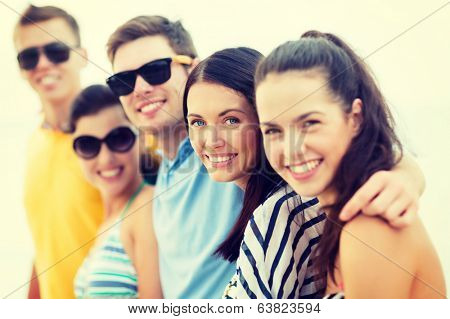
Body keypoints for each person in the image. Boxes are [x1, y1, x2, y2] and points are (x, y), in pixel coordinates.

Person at [106, 16, 426, 298]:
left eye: (155, 70)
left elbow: (312, 112)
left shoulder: (260, 173)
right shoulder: (166, 172)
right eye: (123, 80)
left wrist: (402, 174)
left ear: (192, 65)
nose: (140, 87)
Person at [183, 47, 430, 299]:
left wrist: (406, 173)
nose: (211, 140)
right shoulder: (311, 202)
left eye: (231, 120)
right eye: (198, 122)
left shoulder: (284, 212)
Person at [254, 31, 446, 298]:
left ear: (355, 118)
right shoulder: (338, 220)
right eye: (273, 131)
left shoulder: (371, 226)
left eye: (309, 123)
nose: (290, 149)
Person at [13, 4, 103, 298]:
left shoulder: (116, 139)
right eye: (29, 56)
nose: (43, 64)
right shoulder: (35, 142)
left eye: (57, 50)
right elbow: (46, 243)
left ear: (82, 56)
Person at [70, 85, 161, 299]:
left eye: (119, 139)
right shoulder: (110, 221)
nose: (105, 159)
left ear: (142, 137)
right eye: (88, 145)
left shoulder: (146, 208)